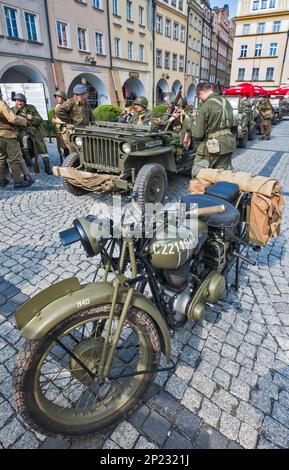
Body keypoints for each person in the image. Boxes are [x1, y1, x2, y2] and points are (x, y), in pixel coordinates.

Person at [187, 82, 236, 177]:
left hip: (212, 147)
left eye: (199, 96)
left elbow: (198, 134)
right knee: (223, 175)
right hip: (228, 143)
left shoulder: (206, 106)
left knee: (199, 175)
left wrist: (190, 125)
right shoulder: (226, 102)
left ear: (201, 92)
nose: (200, 99)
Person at [11, 93, 52, 175]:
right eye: (18, 101)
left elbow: (39, 119)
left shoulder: (31, 108)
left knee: (42, 148)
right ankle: (29, 164)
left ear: (25, 102)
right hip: (22, 132)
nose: (19, 103)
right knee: (24, 148)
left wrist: (31, 117)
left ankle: (47, 167)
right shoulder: (12, 111)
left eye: (21, 101)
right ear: (15, 101)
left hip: (34, 131)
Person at [0, 88, 32, 188]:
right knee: (14, 159)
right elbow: (12, 118)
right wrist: (24, 121)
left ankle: (1, 181)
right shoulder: (1, 104)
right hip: (7, 135)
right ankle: (18, 182)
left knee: (1, 159)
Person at [55, 84, 95, 153]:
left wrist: (94, 125)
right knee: (75, 153)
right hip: (73, 132)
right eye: (83, 94)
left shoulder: (86, 104)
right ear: (78, 95)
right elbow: (59, 111)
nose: (86, 96)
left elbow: (92, 117)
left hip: (84, 131)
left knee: (85, 151)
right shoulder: (71, 103)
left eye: (85, 94)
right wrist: (68, 120)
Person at [52, 90, 69, 160]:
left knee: (67, 148)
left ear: (63, 97)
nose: (57, 99)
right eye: (56, 97)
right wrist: (55, 120)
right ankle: (63, 162)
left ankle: (69, 164)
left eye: (59, 97)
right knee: (60, 148)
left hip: (66, 130)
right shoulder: (57, 106)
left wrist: (60, 122)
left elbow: (69, 120)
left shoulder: (67, 106)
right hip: (59, 131)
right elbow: (53, 119)